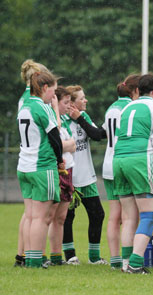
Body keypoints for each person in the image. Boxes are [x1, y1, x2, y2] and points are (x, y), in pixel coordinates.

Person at [114, 73, 153, 274]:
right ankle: (136, 264)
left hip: (119, 159)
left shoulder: (127, 107)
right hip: (139, 158)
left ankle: (125, 263)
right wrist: (152, 160)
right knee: (149, 215)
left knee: (128, 216)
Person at [17, 71, 64, 268]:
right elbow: (55, 136)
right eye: (52, 91)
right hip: (42, 166)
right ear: (45, 88)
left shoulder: (24, 106)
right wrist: (60, 159)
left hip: (24, 166)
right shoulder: (41, 107)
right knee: (42, 217)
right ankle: (36, 259)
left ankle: (28, 257)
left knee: (30, 214)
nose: (52, 96)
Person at [63, 85, 107, 265]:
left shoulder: (84, 117)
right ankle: (70, 256)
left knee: (98, 214)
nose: (86, 100)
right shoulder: (61, 120)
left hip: (86, 177)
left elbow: (97, 135)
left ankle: (94, 257)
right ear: (71, 103)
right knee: (67, 216)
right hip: (69, 176)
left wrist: (80, 119)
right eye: (82, 98)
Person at [14, 59, 51, 267]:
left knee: (29, 214)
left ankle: (24, 254)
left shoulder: (23, 98)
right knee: (35, 216)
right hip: (37, 158)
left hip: (26, 157)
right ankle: (29, 254)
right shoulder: (34, 99)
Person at [103, 74, 140, 269]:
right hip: (124, 162)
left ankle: (115, 259)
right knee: (128, 215)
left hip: (108, 164)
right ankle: (129, 258)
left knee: (114, 215)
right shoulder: (130, 108)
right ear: (135, 91)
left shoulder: (111, 108)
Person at [46, 86, 76, 266]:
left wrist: (65, 144)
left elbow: (71, 145)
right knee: (48, 216)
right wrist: (65, 145)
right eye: (65, 102)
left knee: (61, 217)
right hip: (56, 170)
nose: (68, 106)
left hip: (68, 170)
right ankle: (38, 256)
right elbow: (56, 144)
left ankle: (57, 258)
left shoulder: (64, 122)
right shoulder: (50, 117)